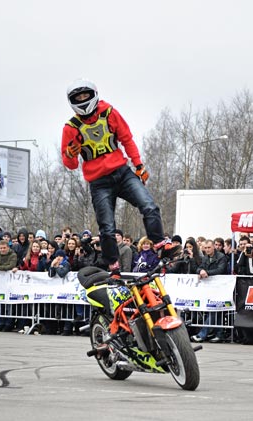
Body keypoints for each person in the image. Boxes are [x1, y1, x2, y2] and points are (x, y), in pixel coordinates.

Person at [61, 79, 166, 274]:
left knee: (149, 205)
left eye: (86, 96)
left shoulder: (109, 112)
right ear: (72, 101)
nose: (83, 100)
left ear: (93, 95)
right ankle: (112, 263)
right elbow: (71, 165)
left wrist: (138, 165)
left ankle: (160, 243)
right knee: (107, 227)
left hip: (122, 172)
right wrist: (70, 153)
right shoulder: (71, 128)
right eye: (79, 98)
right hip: (98, 182)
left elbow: (127, 138)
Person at [191, 239, 229, 343]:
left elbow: (220, 270)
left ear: (213, 247)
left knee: (215, 310)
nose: (207, 250)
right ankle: (219, 334)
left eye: (209, 247)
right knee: (216, 311)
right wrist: (201, 271)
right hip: (211, 289)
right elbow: (199, 268)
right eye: (205, 248)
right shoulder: (205, 258)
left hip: (222, 288)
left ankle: (202, 334)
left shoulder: (221, 257)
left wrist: (206, 272)